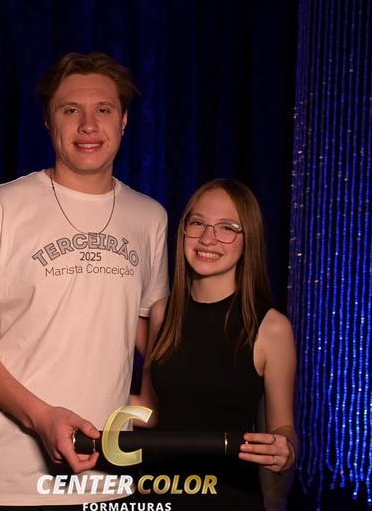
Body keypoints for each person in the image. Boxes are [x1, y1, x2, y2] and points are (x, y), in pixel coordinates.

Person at [0, 52, 169, 509]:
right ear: (48, 121)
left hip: (109, 476)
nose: (88, 125)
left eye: (103, 109)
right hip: (7, 481)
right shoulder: (2, 207)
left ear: (123, 120)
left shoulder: (149, 217)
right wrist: (41, 417)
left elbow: (150, 329)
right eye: (70, 110)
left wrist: (154, 400)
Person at [132, 179, 298, 510]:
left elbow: (284, 427)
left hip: (230, 497)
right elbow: (149, 411)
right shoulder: (163, 312)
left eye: (227, 228)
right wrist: (86, 399)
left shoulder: (272, 327)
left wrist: (286, 450)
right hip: (158, 493)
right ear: (184, 230)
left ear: (248, 240)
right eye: (198, 223)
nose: (208, 238)